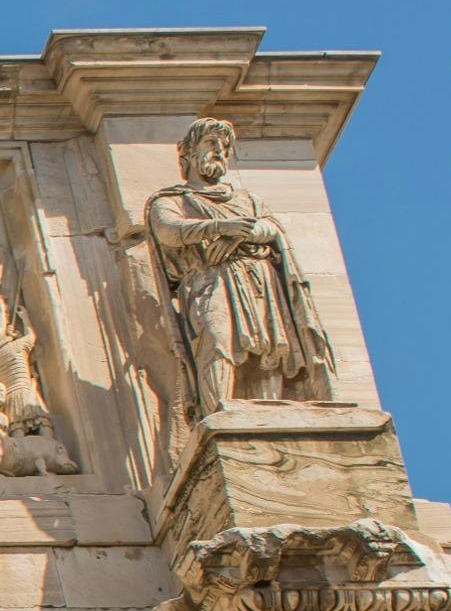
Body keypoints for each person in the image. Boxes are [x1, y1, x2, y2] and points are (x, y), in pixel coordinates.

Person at [143, 116, 337, 415]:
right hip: (209, 279)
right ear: (188, 152)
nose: (219, 151)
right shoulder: (171, 200)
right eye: (211, 143)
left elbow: (271, 227)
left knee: (271, 344)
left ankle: (272, 414)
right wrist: (221, 227)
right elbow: (169, 230)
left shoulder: (247, 199)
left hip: (257, 276)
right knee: (216, 338)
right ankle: (218, 414)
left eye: (224, 146)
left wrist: (242, 234)